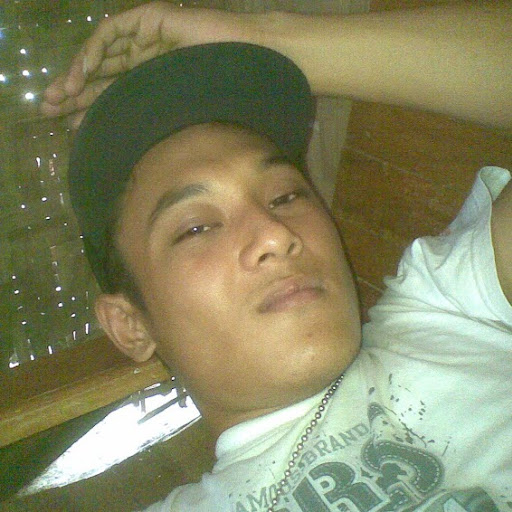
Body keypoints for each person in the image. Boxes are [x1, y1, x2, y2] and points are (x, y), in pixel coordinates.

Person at [42, 2, 512, 511]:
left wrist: (268, 40)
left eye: (286, 196)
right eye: (197, 228)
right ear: (131, 325)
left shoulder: (454, 312)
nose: (274, 234)